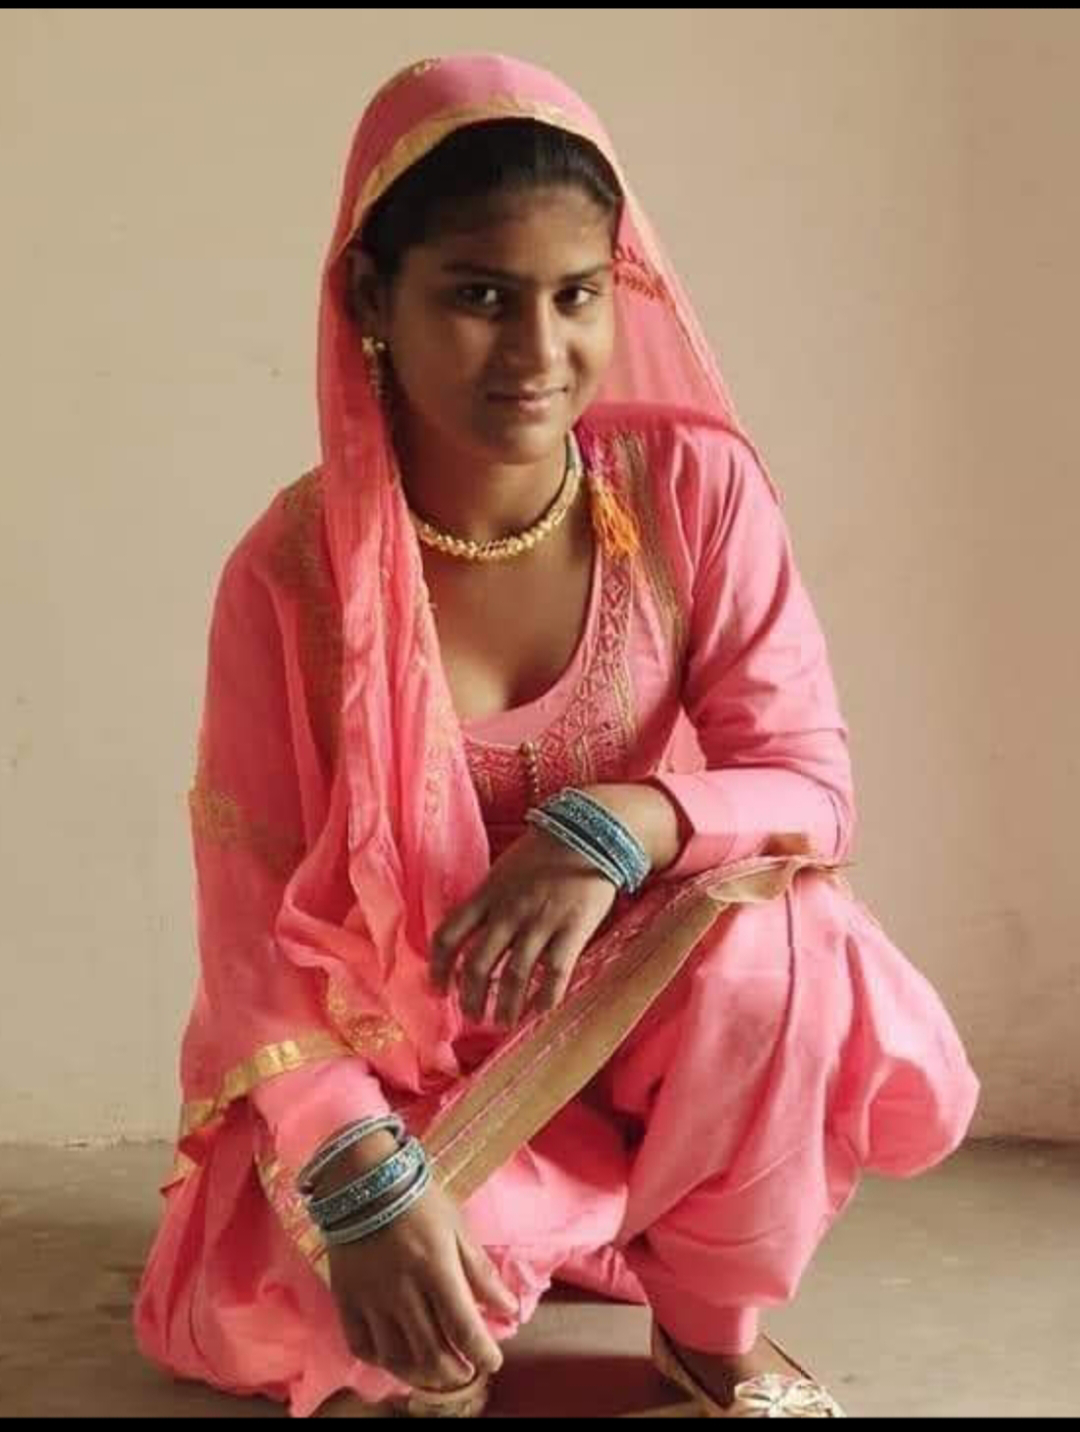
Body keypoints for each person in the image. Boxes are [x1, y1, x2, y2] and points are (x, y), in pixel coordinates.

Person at [134, 53, 979, 1419]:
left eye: (575, 295)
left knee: (786, 934)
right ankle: (514, 1216)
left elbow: (812, 788)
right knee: (358, 1324)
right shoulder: (289, 577)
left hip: (633, 1029)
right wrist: (355, 1174)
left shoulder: (692, 490)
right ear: (372, 301)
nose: (538, 354)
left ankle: (710, 1329)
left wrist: (620, 825)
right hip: (405, 1071)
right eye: (480, 296)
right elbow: (252, 940)